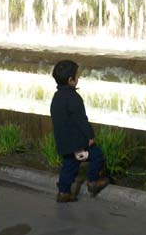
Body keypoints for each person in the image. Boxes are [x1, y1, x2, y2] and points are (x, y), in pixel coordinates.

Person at [49, 59, 109, 203]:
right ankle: (93, 182)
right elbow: (81, 119)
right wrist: (90, 136)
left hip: (64, 141)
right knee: (97, 156)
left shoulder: (56, 97)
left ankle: (63, 192)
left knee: (69, 165)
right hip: (78, 143)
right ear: (71, 80)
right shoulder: (73, 98)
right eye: (77, 76)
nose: (78, 78)